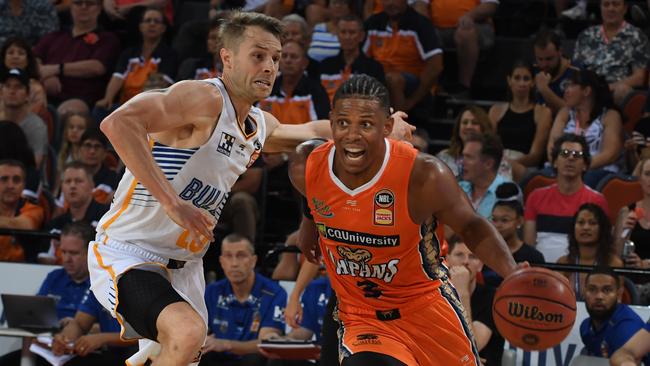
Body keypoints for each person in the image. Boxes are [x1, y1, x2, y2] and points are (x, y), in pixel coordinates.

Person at [87, 11, 414, 366]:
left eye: (275, 58)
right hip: (130, 251)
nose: (270, 66)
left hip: (185, 268)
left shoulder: (258, 125)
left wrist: (378, 126)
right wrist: (171, 202)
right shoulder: (202, 98)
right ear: (227, 57)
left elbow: (309, 132)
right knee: (186, 333)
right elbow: (117, 123)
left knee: (180, 349)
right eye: (258, 56)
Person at [289, 74, 520, 365]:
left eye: (366, 124)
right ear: (331, 121)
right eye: (343, 123)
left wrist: (512, 273)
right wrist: (308, 225)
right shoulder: (305, 165)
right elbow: (315, 196)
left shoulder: (423, 174)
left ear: (387, 127)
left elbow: (471, 226)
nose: (352, 135)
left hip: (427, 309)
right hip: (362, 317)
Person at [0, 222, 94, 365]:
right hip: (44, 348)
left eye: (74, 253)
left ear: (91, 253)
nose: (67, 259)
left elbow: (107, 325)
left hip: (81, 351)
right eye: (63, 252)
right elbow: (34, 312)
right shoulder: (54, 277)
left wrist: (75, 326)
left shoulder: (100, 284)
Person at [201, 234, 286, 366]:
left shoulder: (274, 293)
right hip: (218, 358)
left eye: (241, 255)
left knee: (255, 360)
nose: (234, 264)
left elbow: (267, 343)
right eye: (228, 256)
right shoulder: (212, 291)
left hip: (252, 361)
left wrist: (227, 344)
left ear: (253, 261)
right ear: (221, 262)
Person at [524, 133, 610, 263]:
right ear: (554, 162)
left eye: (577, 155)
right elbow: (529, 245)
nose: (570, 158)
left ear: (585, 165)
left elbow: (603, 247)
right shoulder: (536, 196)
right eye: (564, 153)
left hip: (579, 274)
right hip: (540, 272)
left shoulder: (597, 200)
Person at [33, 0, 121, 105]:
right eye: (78, 3)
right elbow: (32, 59)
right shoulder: (53, 36)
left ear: (99, 8)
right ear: (71, 7)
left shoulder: (107, 39)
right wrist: (45, 76)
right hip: (44, 96)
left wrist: (56, 69)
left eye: (90, 3)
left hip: (82, 100)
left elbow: (97, 67)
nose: (83, 7)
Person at [547, 69, 624, 188]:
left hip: (598, 170)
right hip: (564, 167)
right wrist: (564, 165)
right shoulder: (564, 113)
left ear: (586, 91)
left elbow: (610, 154)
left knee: (585, 179)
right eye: (566, 86)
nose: (566, 91)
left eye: (571, 86)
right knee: (542, 176)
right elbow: (552, 147)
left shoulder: (610, 116)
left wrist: (580, 166)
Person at [363, 0, 443, 113]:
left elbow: (435, 66)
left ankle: (400, 118)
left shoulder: (421, 24)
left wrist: (412, 101)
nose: (391, 3)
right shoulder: (373, 23)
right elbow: (359, 58)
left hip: (413, 83)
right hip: (379, 76)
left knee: (393, 79)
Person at [95, 6, 177, 112]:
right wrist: (108, 98)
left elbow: (159, 84)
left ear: (163, 28)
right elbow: (118, 77)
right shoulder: (128, 53)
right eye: (148, 20)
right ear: (141, 26)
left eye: (156, 21)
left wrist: (137, 106)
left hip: (150, 104)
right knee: (100, 109)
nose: (152, 24)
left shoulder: (169, 55)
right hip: (125, 104)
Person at [412, 0, 497, 98]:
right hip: (437, 28)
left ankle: (464, 86)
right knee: (423, 32)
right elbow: (420, 4)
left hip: (475, 25)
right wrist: (425, 22)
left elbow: (491, 5)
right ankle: (431, 86)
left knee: (465, 33)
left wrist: (470, 16)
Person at [572, 0, 649, 105]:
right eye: (606, 4)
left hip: (616, 92)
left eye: (616, 4)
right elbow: (576, 71)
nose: (610, 9)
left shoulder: (637, 36)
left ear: (625, 8)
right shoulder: (586, 35)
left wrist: (607, 88)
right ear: (600, 7)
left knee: (623, 91)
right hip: (588, 92)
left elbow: (639, 78)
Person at [488, 60, 552, 182]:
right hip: (498, 162)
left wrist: (508, 164)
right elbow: (490, 146)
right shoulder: (495, 111)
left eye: (526, 79)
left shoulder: (543, 113)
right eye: (517, 78)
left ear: (533, 82)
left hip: (525, 167)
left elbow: (535, 156)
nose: (521, 83)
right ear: (509, 80)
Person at [446, 237, 504, 366]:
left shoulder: (494, 297)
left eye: (473, 257)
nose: (466, 261)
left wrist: (462, 293)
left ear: (480, 265)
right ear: (447, 260)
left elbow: (473, 346)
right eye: (459, 255)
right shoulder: (436, 296)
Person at [50, 288, 138, 365]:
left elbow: (145, 335)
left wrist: (104, 338)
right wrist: (66, 339)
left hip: (137, 354)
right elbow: (79, 323)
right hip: (109, 354)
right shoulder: (98, 286)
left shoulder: (137, 286)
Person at [580, 267, 648, 363]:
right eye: (592, 289)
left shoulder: (626, 329)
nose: (599, 296)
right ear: (584, 292)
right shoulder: (585, 327)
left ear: (619, 294)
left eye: (607, 290)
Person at [483, 182, 545, 287]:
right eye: (494, 220)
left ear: (519, 221)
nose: (498, 225)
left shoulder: (534, 257)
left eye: (504, 220)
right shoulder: (485, 253)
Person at [558, 204, 623, 300]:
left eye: (592, 223)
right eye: (580, 222)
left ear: (602, 229)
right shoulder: (563, 263)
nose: (586, 227)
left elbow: (617, 301)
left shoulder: (614, 263)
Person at [258, 40, 330, 124]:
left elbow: (322, 127)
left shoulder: (316, 91)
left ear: (305, 63)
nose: (288, 60)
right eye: (284, 56)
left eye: (293, 57)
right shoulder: (266, 87)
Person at [319, 14, 385, 102]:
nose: (347, 37)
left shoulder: (374, 68)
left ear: (361, 36)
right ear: (337, 35)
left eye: (352, 32)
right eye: (343, 32)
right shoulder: (324, 66)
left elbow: (379, 101)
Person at [0, 68, 48, 168]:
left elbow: (35, 166)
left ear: (27, 95)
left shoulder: (37, 127)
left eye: (18, 87)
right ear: (1, 93)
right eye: (8, 86)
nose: (12, 91)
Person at [436, 105, 498, 178]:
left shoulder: (495, 159)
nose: (469, 126)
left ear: (484, 128)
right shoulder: (444, 158)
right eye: (465, 123)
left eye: (474, 123)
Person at [0, 159, 44, 262]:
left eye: (16, 180)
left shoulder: (34, 209)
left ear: (24, 185)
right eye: (4, 179)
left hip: (23, 270)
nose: (10, 186)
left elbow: (26, 225)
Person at [459, 132, 512, 218]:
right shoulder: (458, 189)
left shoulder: (508, 193)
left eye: (469, 157)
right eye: (463, 156)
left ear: (488, 164)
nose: (462, 162)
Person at [532, 29, 580, 115]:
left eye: (549, 59)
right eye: (539, 59)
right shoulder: (533, 69)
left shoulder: (576, 73)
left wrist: (544, 89)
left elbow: (574, 113)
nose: (543, 65)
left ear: (560, 51)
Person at [0, 37, 48, 118]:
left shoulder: (36, 88)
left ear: (28, 60)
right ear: (3, 58)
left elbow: (37, 115)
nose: (15, 57)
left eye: (21, 53)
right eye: (11, 53)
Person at [77, 129, 119, 205]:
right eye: (88, 145)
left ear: (105, 153)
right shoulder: (71, 177)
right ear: (79, 150)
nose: (92, 151)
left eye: (97, 146)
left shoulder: (114, 178)